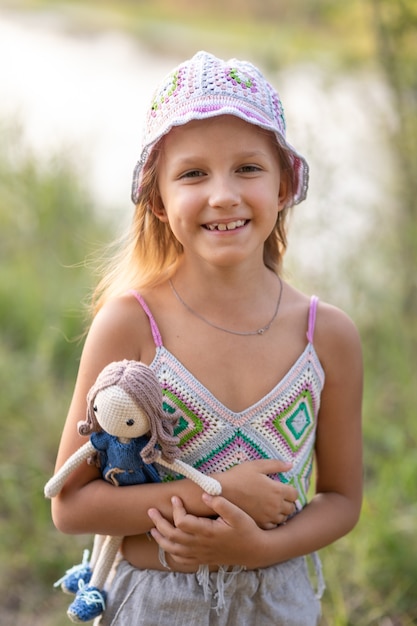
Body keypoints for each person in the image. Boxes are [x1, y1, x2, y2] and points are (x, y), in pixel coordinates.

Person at [49, 50, 363, 626]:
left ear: (285, 183)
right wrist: (212, 493)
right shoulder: (131, 325)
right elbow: (71, 504)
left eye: (248, 168)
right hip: (153, 607)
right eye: (193, 174)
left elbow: (342, 500)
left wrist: (259, 548)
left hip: (280, 608)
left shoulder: (328, 336)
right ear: (159, 201)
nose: (223, 195)